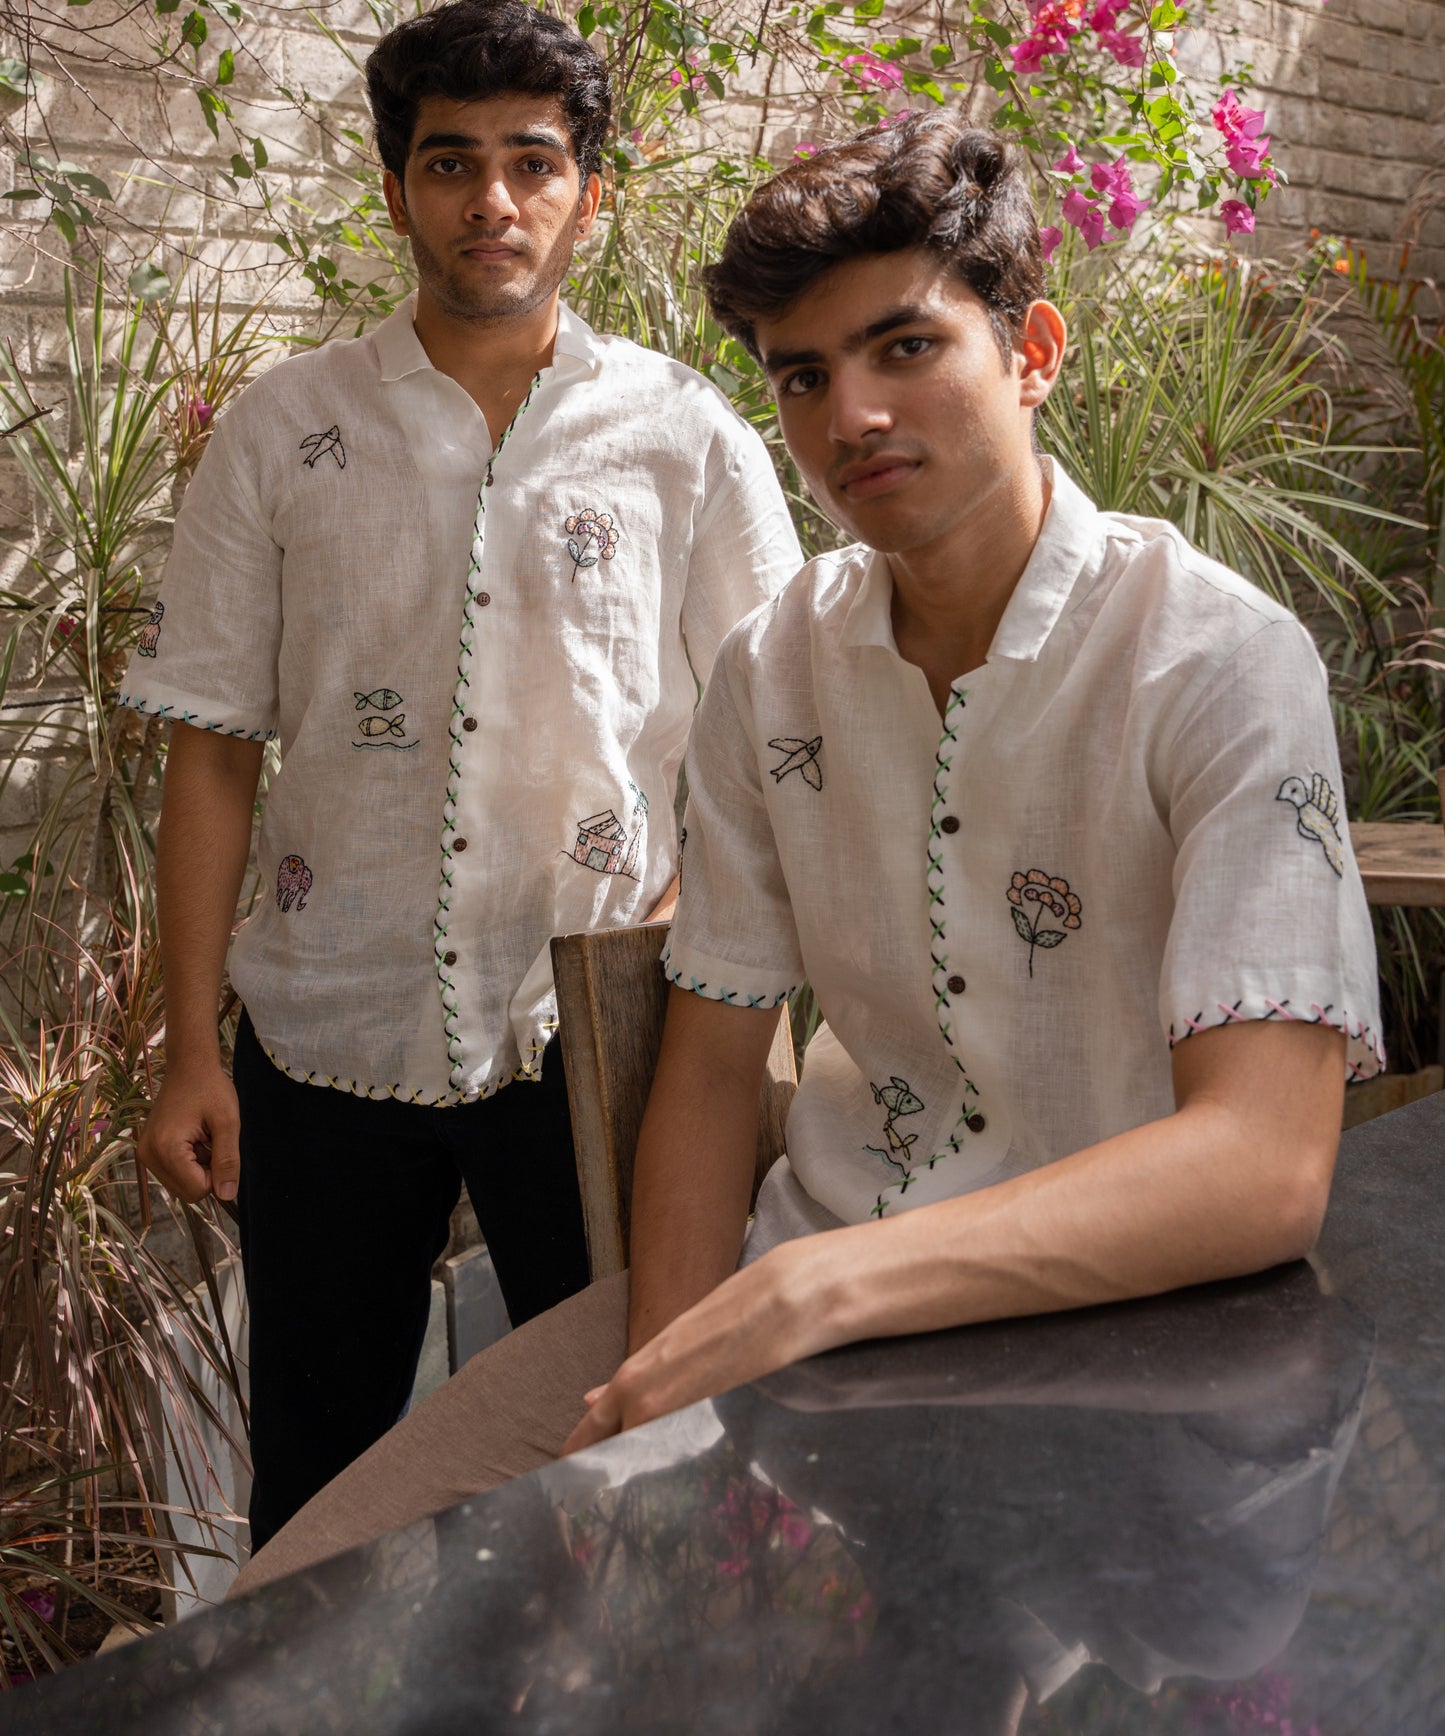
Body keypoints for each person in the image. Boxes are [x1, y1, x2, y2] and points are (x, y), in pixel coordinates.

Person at [231, 107, 1380, 1593]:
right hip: (799, 1307)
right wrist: (669, 1388)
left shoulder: (1212, 660)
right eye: (804, 374)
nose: (851, 416)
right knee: (301, 1587)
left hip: (1129, 1336)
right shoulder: (774, 667)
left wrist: (819, 1289)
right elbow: (712, 1063)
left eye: (906, 348)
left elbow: (1260, 1166)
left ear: (1030, 353)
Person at [125, 0, 802, 1551]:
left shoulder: (687, 438)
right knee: (318, 1468)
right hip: (320, 1026)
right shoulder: (286, 429)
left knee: (623, 1454)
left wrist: (697, 975)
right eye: (448, 164)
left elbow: (774, 739)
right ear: (394, 189)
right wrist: (189, 1051)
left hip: (600, 1036)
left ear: (589, 188)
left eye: (531, 162)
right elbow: (214, 742)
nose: (490, 202)